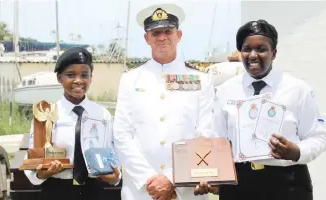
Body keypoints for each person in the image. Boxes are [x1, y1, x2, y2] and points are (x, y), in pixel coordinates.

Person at [194, 19, 326, 200]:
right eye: (247, 49)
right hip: (239, 185)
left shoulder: (297, 90)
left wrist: (296, 151)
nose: (253, 55)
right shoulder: (226, 91)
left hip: (288, 183)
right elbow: (217, 140)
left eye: (261, 49)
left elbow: (318, 136)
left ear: (273, 53)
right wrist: (209, 175)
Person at [113, 3, 214, 200]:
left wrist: (171, 178)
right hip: (141, 190)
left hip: (186, 189)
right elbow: (121, 134)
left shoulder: (201, 80)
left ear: (179, 35)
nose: (162, 37)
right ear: (146, 38)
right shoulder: (130, 79)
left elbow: (205, 133)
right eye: (155, 32)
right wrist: (149, 179)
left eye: (168, 31)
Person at [24, 47, 122, 200]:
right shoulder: (46, 113)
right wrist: (42, 172)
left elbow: (112, 154)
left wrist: (115, 176)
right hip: (56, 191)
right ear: (59, 78)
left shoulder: (102, 114)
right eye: (70, 75)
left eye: (84, 75)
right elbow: (34, 160)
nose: (78, 80)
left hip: (94, 190)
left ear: (91, 78)